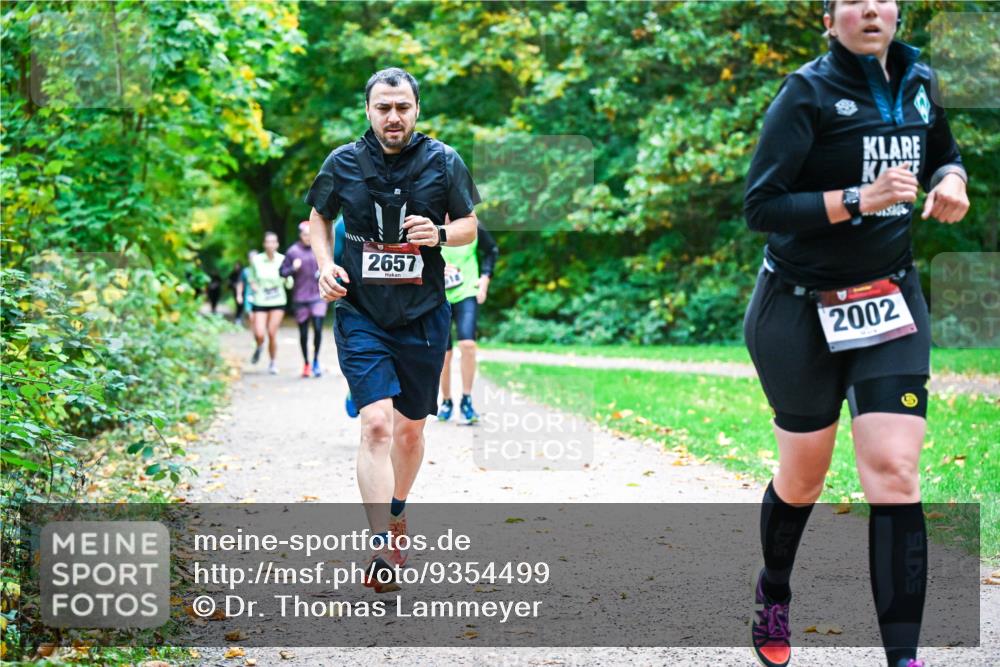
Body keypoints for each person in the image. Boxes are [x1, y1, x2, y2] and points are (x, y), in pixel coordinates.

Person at [742, 2, 969, 667]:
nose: (870, 8)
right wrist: (857, 199)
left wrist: (951, 179)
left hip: (888, 298)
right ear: (829, 18)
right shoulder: (805, 92)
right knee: (804, 477)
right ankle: (775, 588)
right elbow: (761, 205)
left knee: (895, 472)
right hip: (797, 307)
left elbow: (944, 154)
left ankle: (904, 657)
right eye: (852, 0)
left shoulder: (920, 78)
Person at [304, 67, 480, 590]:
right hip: (361, 312)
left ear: (416, 109)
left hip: (424, 314)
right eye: (383, 107)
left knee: (409, 430)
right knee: (376, 424)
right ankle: (381, 547)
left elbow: (470, 227)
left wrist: (440, 232)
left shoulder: (444, 161)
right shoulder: (342, 162)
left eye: (402, 107)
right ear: (369, 110)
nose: (393, 116)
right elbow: (318, 216)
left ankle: (397, 510)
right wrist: (322, 264)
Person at [437, 219, 499, 424]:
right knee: (443, 354)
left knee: (468, 344)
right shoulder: (430, 220)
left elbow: (491, 250)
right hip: (438, 296)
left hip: (467, 292)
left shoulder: (472, 224)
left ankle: (467, 400)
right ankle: (446, 401)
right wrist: (436, 268)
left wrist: (485, 280)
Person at [281, 221, 328, 378]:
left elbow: (330, 265)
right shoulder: (292, 252)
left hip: (317, 296)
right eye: (305, 234)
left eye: (310, 234)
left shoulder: (319, 249)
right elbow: (282, 272)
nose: (308, 237)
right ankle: (306, 363)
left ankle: (316, 361)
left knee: (318, 328)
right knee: (303, 334)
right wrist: (293, 268)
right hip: (300, 298)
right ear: (300, 235)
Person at [248, 232, 293, 375]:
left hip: (278, 300)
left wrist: (288, 280)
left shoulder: (283, 259)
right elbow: (251, 277)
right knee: (260, 333)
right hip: (261, 300)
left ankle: (273, 362)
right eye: (268, 242)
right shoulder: (256, 260)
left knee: (272, 333)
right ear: (264, 244)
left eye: (273, 242)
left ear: (277, 244)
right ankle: (259, 346)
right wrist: (253, 285)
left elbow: (289, 280)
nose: (270, 245)